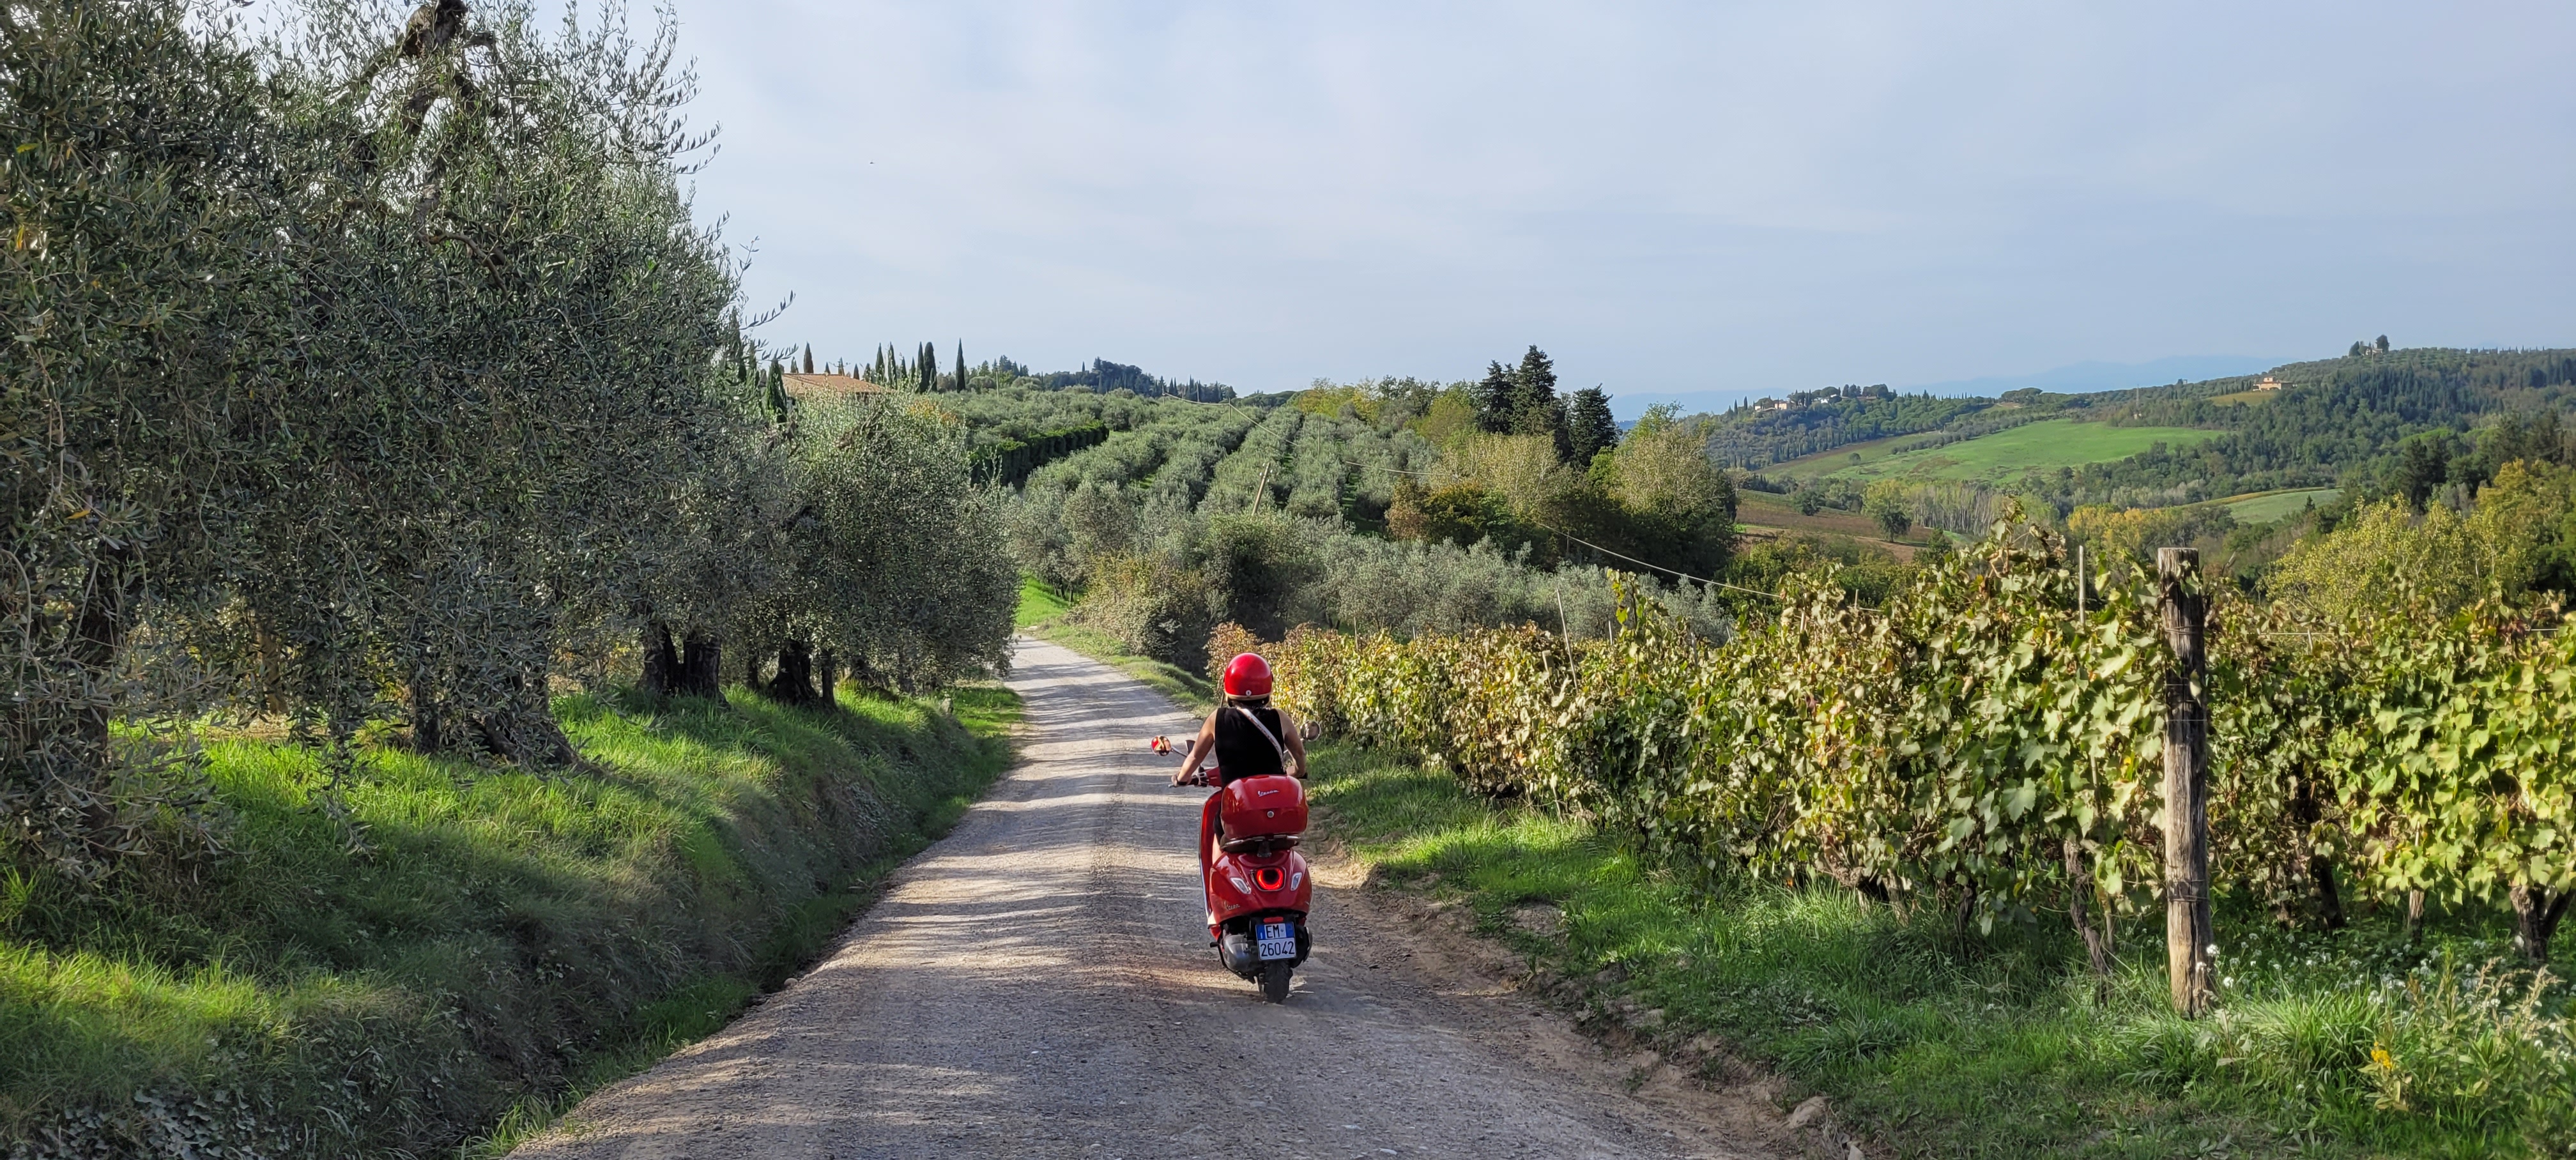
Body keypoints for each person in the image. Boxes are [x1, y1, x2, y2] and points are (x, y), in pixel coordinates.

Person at [1170, 652, 1308, 786]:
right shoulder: (1280, 717)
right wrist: (1298, 772)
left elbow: (1195, 756)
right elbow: (1299, 752)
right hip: (1274, 796)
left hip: (1236, 798)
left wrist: (1181, 778)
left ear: (1228, 684)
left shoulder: (1217, 718)